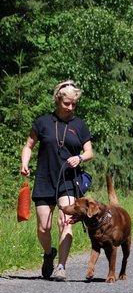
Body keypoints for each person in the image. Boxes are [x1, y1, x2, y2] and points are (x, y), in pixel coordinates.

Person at [20, 80, 94, 281]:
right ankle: (48, 254)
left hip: (69, 180)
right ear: (58, 100)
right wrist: (24, 163)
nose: (70, 108)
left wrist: (79, 158)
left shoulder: (79, 125)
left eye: (73, 104)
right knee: (44, 227)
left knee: (65, 222)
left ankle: (61, 266)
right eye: (66, 103)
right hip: (45, 179)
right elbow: (29, 145)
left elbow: (89, 152)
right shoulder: (42, 122)